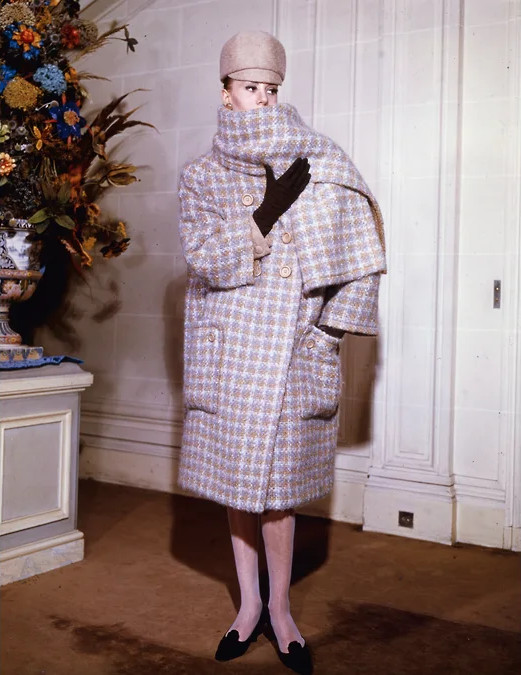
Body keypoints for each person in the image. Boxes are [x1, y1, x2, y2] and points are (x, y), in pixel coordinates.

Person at [177, 30, 386, 674]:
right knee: (240, 487)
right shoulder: (201, 175)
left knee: (280, 493)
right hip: (230, 354)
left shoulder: (321, 160)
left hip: (296, 350)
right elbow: (205, 260)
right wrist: (264, 214)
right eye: (250, 88)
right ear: (226, 93)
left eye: (271, 89)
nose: (263, 99)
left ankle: (282, 610)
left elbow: (365, 259)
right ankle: (247, 608)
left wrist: (327, 335)